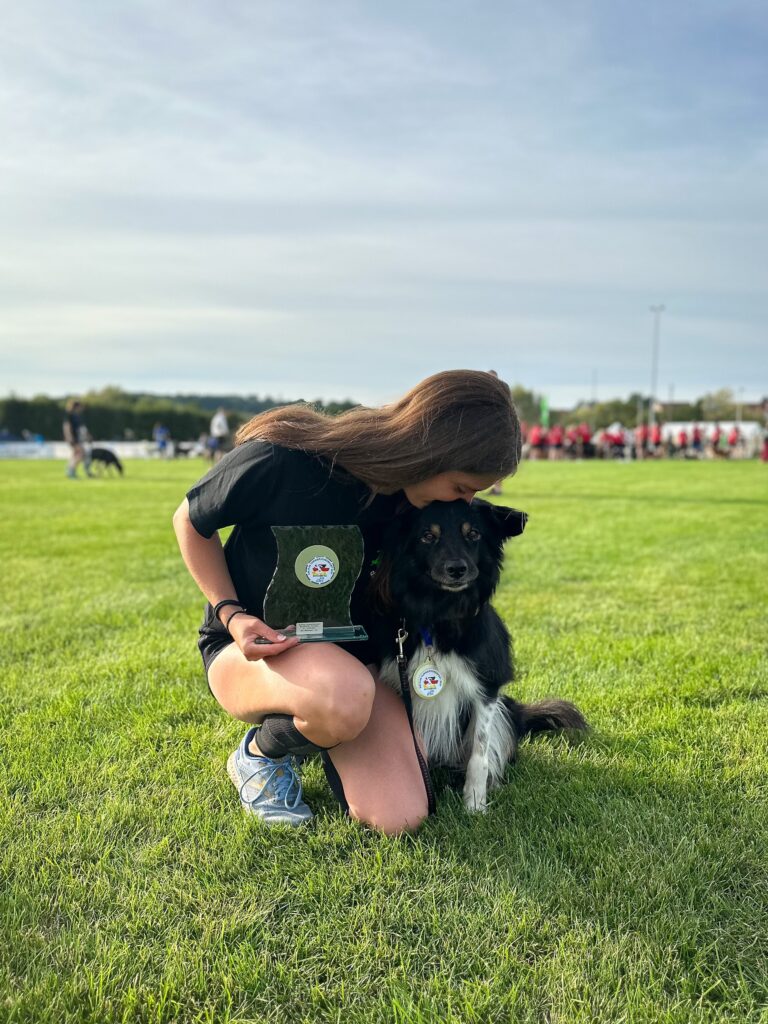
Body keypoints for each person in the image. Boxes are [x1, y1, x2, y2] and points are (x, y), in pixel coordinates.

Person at [173, 370, 522, 834]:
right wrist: (232, 615)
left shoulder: (405, 506)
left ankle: (318, 727)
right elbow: (190, 523)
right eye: (461, 487)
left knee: (400, 816)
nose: (464, 501)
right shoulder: (282, 461)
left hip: (353, 666)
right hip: (250, 652)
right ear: (430, 451)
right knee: (342, 697)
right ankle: (261, 752)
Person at [62, 399, 91, 479]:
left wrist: (87, 436)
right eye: (80, 407)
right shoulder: (69, 415)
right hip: (72, 438)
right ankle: (71, 472)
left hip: (76, 438)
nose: (81, 408)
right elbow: (66, 426)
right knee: (81, 453)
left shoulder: (76, 416)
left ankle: (69, 470)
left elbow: (82, 428)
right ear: (76, 407)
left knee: (75, 454)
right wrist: (69, 437)